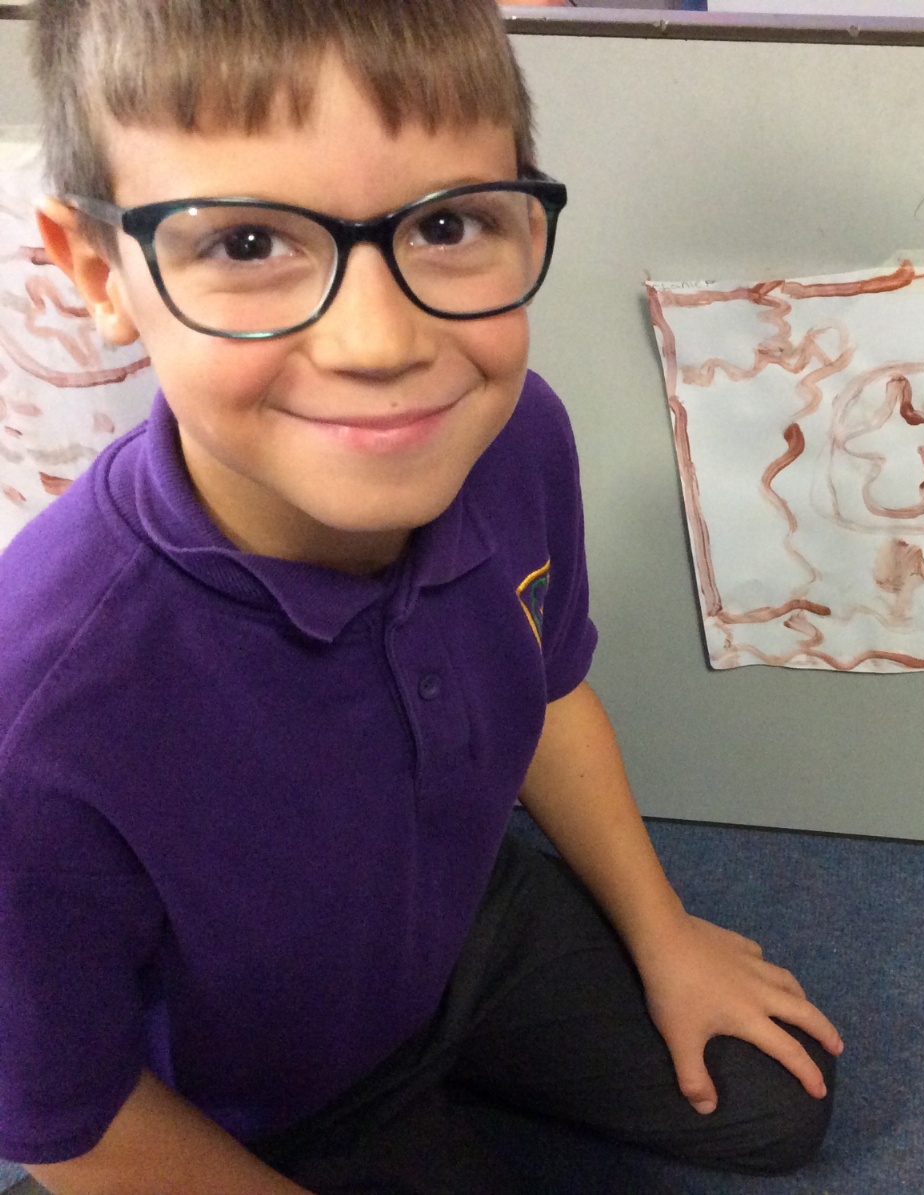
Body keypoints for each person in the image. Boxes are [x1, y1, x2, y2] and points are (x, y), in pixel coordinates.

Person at [0, 2, 842, 1191]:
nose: (379, 342)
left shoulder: (513, 438)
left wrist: (663, 932)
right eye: (247, 242)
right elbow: (74, 1121)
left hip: (457, 921)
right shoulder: (40, 716)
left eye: (446, 223)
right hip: (253, 1090)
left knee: (775, 1109)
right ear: (99, 270)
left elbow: (548, 691)